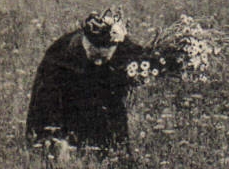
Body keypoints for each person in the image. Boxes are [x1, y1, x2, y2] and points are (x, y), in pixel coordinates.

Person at [25, 8, 155, 159]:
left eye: (104, 58)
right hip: (69, 113)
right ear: (84, 41)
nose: (99, 62)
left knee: (116, 159)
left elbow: (148, 60)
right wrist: (57, 140)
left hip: (108, 115)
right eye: (94, 55)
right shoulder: (59, 55)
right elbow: (44, 104)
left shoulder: (125, 48)